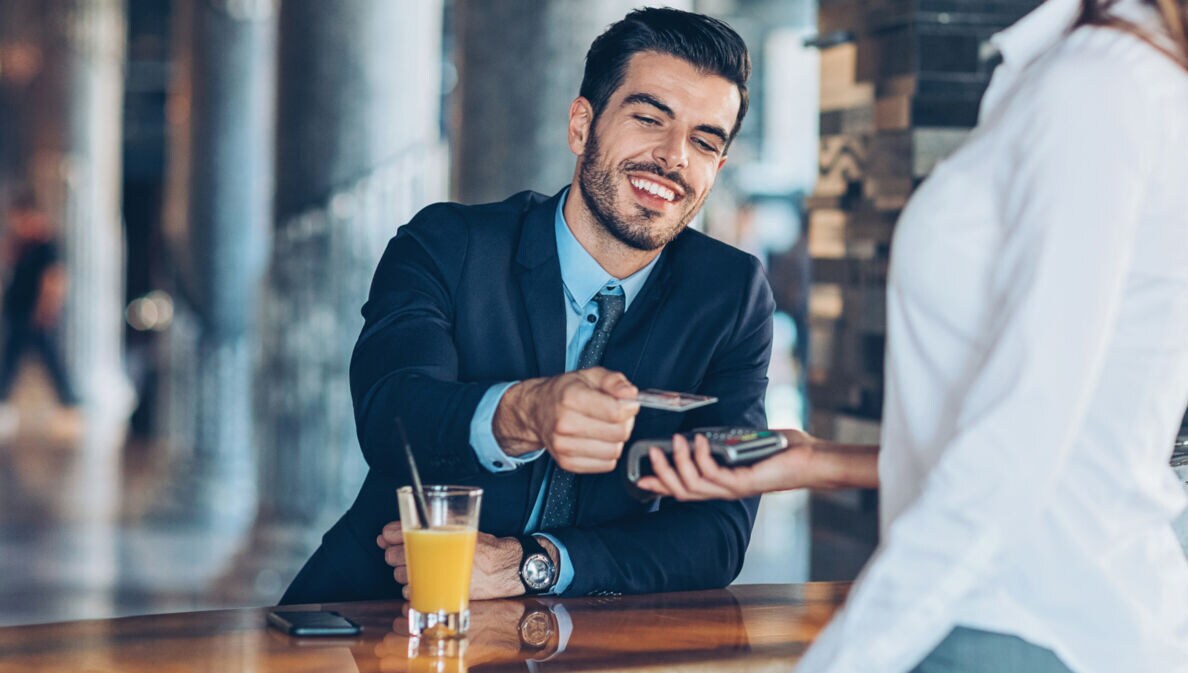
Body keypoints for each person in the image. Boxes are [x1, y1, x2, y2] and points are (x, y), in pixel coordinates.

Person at [641, 0, 1188, 672]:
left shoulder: (1099, 87)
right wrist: (820, 460)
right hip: (1026, 611)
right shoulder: (1103, 74)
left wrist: (846, 660)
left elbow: (1021, 439)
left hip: (1013, 618)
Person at [280, 7, 775, 604]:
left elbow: (717, 535)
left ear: (717, 169)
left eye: (703, 141)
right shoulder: (447, 244)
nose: (674, 157)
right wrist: (523, 412)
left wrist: (532, 565)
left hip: (590, 643)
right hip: (382, 611)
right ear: (581, 126)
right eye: (649, 118)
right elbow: (391, 413)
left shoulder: (731, 293)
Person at [0, 190, 78, 425]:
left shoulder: (46, 245)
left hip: (34, 314)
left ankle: (70, 405)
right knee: (12, 359)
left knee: (48, 359)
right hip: (18, 311)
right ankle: (68, 403)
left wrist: (46, 310)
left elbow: (54, 280)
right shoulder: (24, 245)